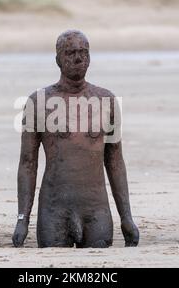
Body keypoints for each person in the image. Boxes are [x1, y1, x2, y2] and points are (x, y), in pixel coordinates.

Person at [12, 30, 139, 248]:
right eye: (70, 53)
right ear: (58, 60)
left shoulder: (106, 100)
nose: (78, 58)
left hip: (96, 209)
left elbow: (115, 162)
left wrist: (126, 217)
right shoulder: (38, 102)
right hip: (54, 210)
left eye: (84, 52)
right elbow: (27, 163)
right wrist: (22, 219)